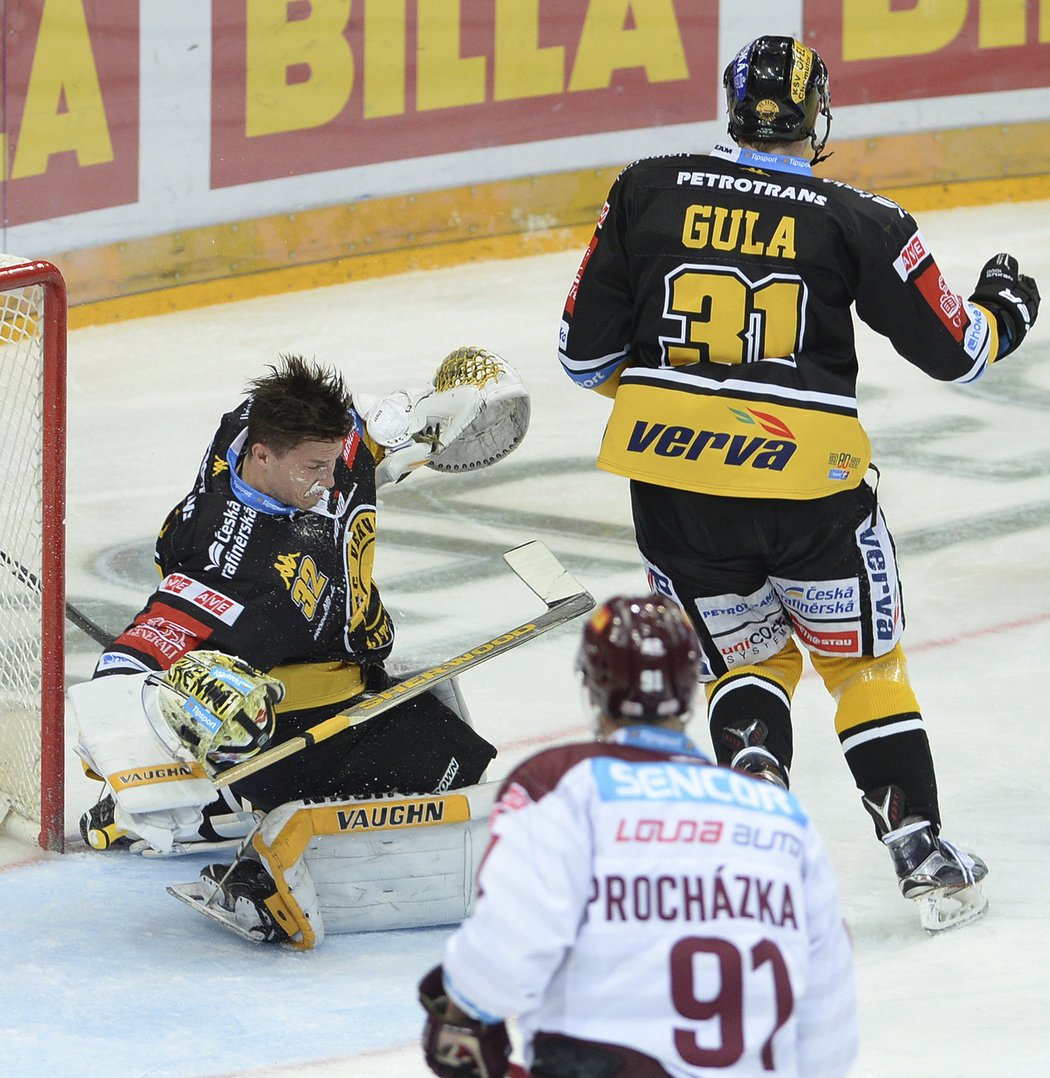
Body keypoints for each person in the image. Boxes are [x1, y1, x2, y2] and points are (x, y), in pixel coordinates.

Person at [556, 35, 1040, 931]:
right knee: (862, 668)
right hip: (810, 489)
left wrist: (697, 407)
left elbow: (582, 359)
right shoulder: (860, 217)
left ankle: (752, 816)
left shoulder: (645, 187)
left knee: (749, 661)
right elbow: (962, 354)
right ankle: (923, 854)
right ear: (817, 118)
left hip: (675, 491)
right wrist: (1008, 307)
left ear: (733, 109)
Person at [76, 352, 522, 935]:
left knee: (448, 738)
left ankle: (226, 807)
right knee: (451, 774)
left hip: (354, 673)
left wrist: (432, 419)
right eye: (316, 466)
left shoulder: (265, 432)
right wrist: (118, 741)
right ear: (263, 456)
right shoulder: (226, 565)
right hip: (294, 722)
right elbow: (136, 660)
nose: (333, 479)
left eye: (335, 460)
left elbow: (368, 444)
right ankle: (229, 807)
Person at [419, 594, 858, 1078]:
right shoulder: (779, 815)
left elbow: (503, 957)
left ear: (592, 688)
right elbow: (828, 1025)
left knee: (457, 1036)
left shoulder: (559, 784)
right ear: (691, 689)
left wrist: (460, 1006)